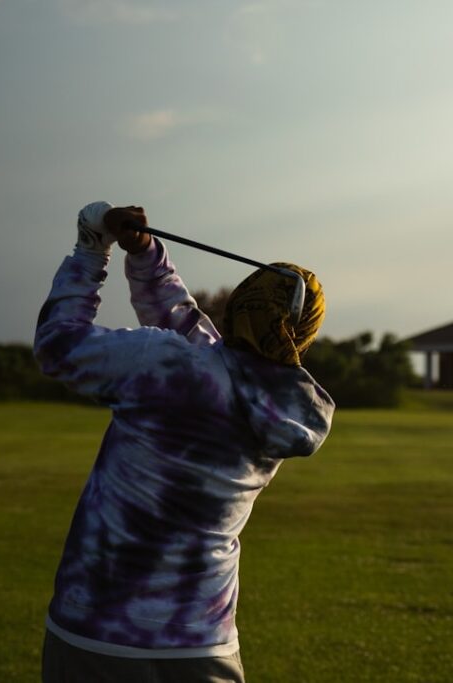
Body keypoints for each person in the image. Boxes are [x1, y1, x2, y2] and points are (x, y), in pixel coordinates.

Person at [35, 202, 335, 682]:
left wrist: (90, 250)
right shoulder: (283, 408)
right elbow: (198, 339)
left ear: (240, 303)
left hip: (96, 631)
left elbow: (59, 345)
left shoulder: (167, 364)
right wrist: (146, 254)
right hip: (203, 643)